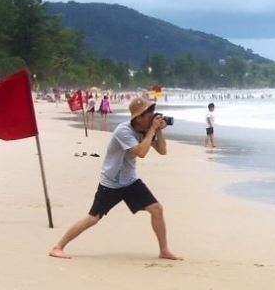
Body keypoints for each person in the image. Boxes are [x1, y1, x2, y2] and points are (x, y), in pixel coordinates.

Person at [49, 96, 181, 260]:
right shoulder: (123, 131)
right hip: (111, 183)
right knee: (92, 218)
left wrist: (158, 131)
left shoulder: (146, 131)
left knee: (157, 209)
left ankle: (164, 250)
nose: (153, 116)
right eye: (149, 113)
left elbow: (162, 151)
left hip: (131, 181)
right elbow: (140, 152)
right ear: (138, 117)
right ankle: (58, 247)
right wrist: (152, 130)